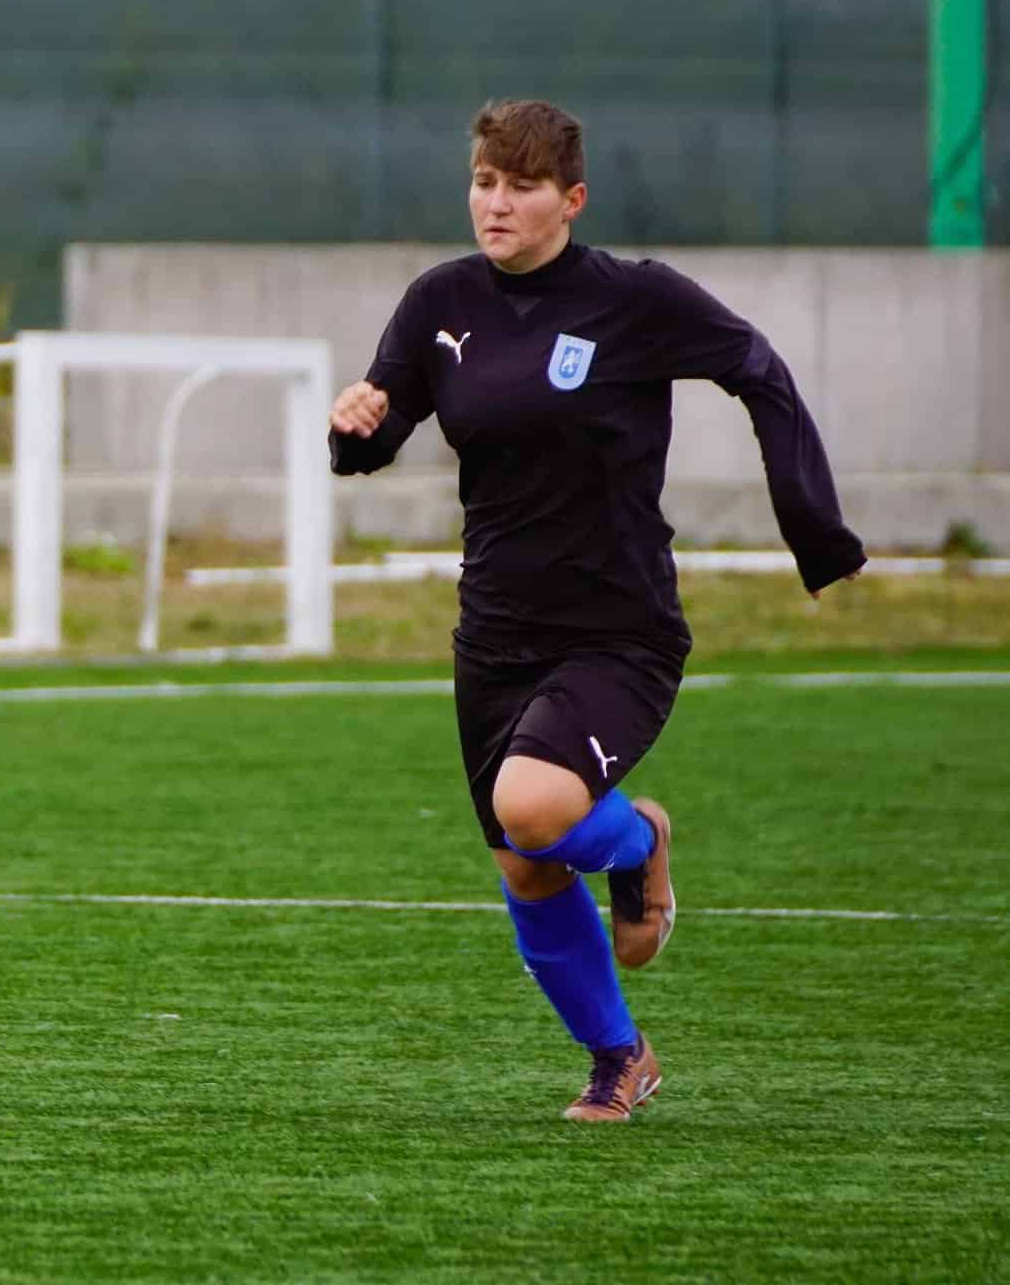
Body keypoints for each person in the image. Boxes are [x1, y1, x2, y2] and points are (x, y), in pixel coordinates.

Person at [328, 99, 864, 1122]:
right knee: (525, 866)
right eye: (485, 180)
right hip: (494, 628)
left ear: (571, 199)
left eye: (522, 185)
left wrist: (816, 528)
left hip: (618, 628)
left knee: (535, 808)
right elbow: (381, 425)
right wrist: (356, 424)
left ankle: (637, 842)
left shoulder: (636, 300)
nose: (497, 202)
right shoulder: (441, 298)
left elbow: (759, 371)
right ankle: (620, 1057)